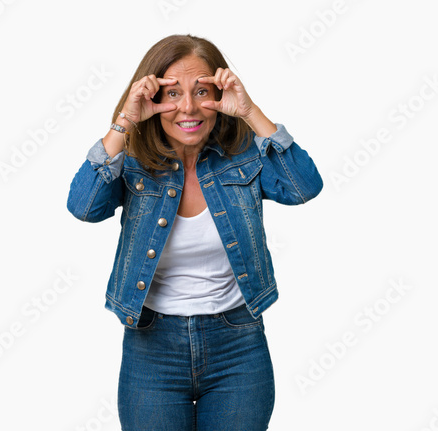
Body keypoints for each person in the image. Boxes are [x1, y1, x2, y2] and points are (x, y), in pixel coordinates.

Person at [67, 34, 323, 431]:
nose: (188, 107)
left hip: (237, 345)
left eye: (201, 91)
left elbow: (304, 186)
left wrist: (251, 111)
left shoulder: (244, 158)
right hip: (152, 347)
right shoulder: (133, 162)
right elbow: (84, 207)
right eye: (171, 93)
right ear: (151, 99)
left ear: (219, 95)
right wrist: (124, 121)